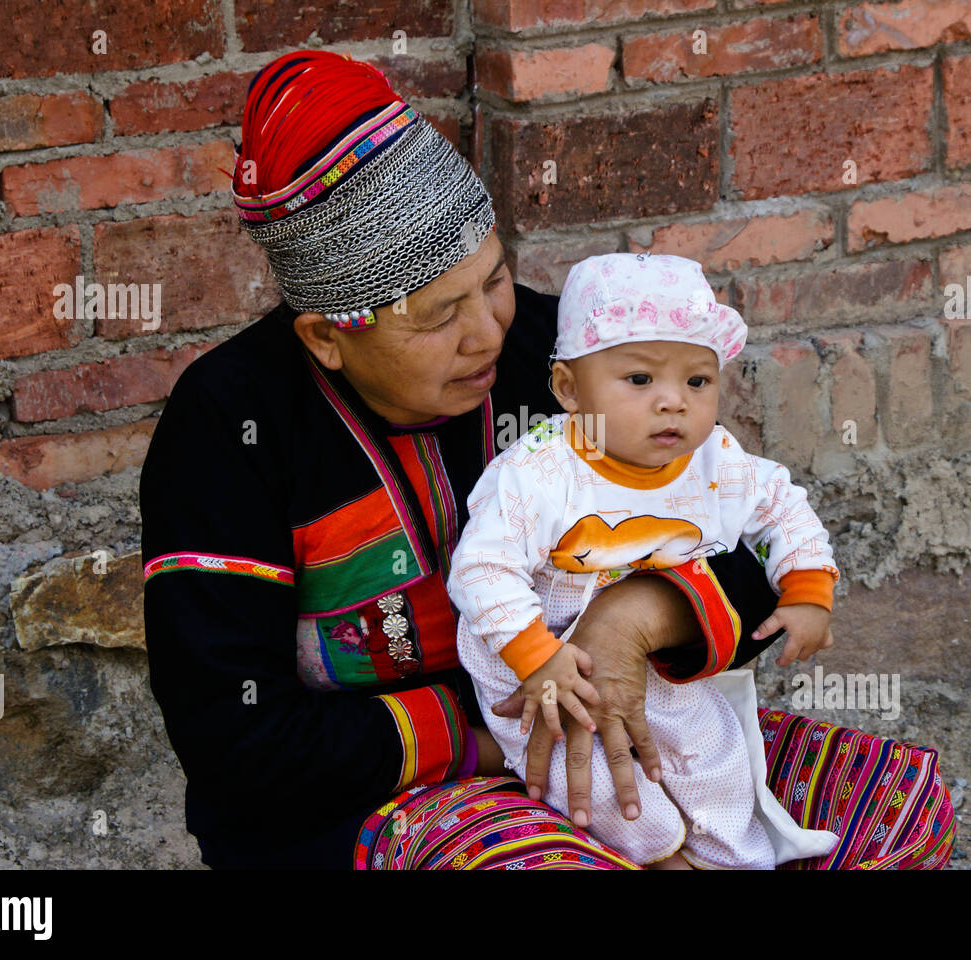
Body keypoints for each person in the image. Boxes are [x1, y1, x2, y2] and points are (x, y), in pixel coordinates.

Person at [139, 50, 789, 869]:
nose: (487, 331)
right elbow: (239, 740)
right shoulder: (232, 421)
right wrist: (510, 735)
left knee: (893, 801)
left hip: (609, 730)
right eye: (440, 314)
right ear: (328, 338)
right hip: (364, 805)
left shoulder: (562, 362)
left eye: (494, 280)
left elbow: (763, 560)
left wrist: (633, 621)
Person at [449, 253, 843, 868]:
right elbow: (482, 570)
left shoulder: (717, 461)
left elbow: (781, 507)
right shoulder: (538, 472)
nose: (673, 403)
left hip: (657, 662)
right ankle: (657, 854)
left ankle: (732, 856)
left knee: (711, 756)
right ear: (569, 390)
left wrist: (807, 586)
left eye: (697, 381)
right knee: (599, 782)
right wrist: (536, 656)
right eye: (639, 381)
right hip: (536, 661)